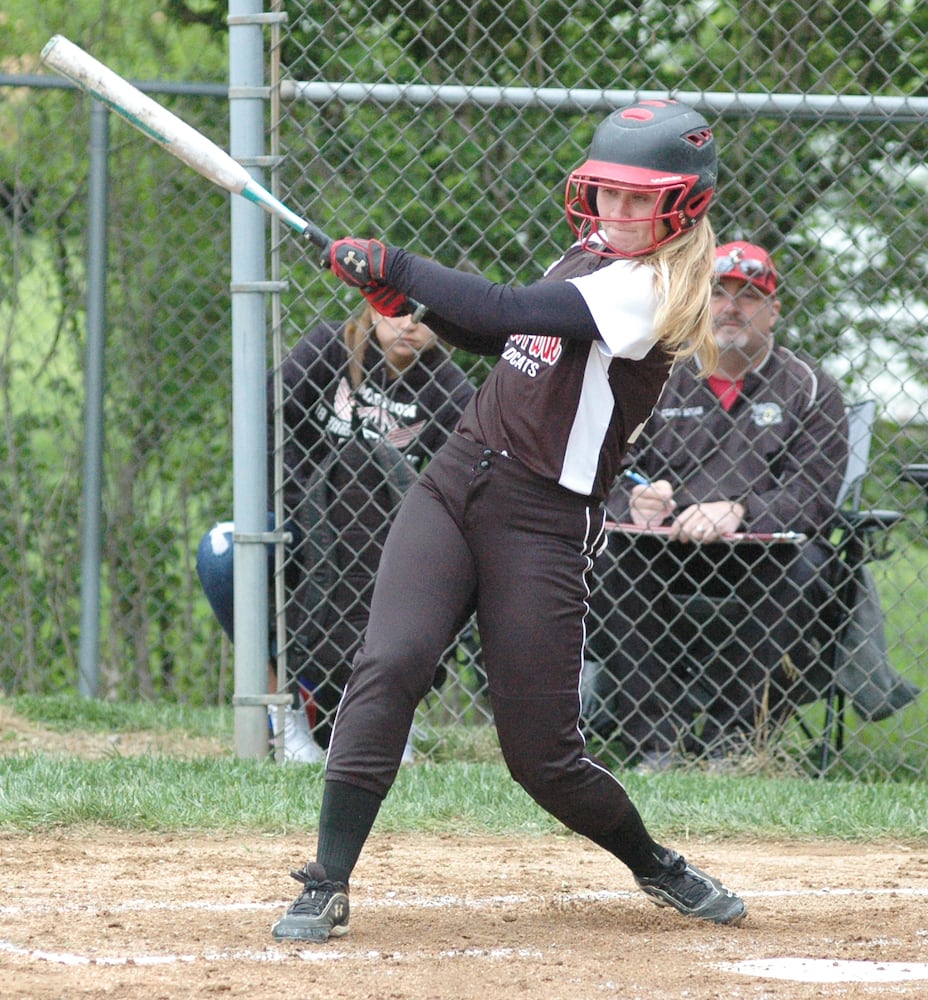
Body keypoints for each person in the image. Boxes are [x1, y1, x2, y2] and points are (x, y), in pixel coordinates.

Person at [271, 99, 747, 941]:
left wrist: (400, 261)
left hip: (540, 524)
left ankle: (654, 863)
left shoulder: (652, 291)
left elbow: (501, 310)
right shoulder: (591, 256)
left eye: (640, 198)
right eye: (607, 193)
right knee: (390, 664)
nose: (617, 211)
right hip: (455, 486)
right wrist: (400, 293)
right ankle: (327, 880)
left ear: (684, 204)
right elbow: (501, 336)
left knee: (543, 759)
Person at [592, 241, 849, 769]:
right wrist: (632, 499)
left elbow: (815, 496)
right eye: (718, 292)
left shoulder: (811, 388)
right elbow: (601, 465)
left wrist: (742, 510)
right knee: (611, 556)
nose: (731, 306)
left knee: (812, 569)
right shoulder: (653, 375)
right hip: (663, 548)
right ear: (697, 301)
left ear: (773, 311)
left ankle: (734, 743)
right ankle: (656, 744)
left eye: (749, 295)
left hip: (764, 556)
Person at [196, 302, 475, 761]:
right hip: (302, 530)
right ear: (374, 304)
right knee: (222, 553)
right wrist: (306, 509)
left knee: (460, 566)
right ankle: (284, 716)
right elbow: (265, 424)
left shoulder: (449, 390)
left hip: (385, 549)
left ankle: (389, 715)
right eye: (398, 309)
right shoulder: (329, 348)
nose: (408, 324)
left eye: (425, 315)